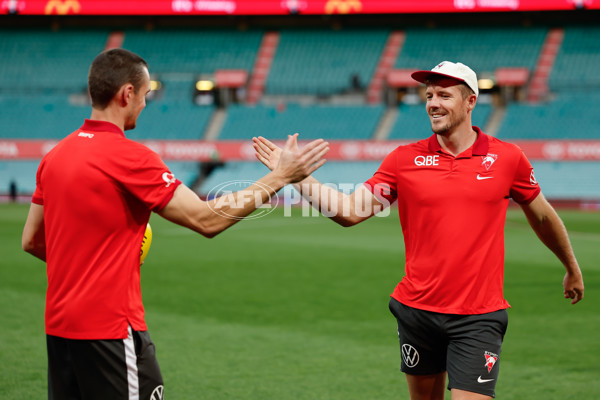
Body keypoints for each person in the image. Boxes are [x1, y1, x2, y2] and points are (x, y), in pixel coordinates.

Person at [252, 61, 584, 400]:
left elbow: (542, 216)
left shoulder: (507, 158)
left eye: (444, 95)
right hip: (417, 312)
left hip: (478, 317)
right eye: (429, 95)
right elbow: (350, 212)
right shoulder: (403, 160)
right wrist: (293, 176)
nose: (433, 103)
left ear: (470, 102)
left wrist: (571, 266)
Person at [21, 48, 329, 400]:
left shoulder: (54, 156)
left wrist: (91, 263)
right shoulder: (131, 158)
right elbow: (206, 219)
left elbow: (31, 240)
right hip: (110, 328)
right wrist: (280, 176)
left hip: (60, 328)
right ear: (127, 94)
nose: (147, 103)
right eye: (147, 94)